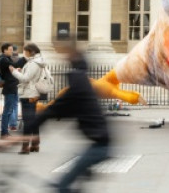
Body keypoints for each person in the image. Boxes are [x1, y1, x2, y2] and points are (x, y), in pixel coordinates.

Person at [28, 42, 109, 193]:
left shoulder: (78, 86)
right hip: (99, 144)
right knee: (68, 179)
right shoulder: (82, 81)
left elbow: (51, 111)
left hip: (101, 146)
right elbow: (55, 111)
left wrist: (18, 136)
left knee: (62, 187)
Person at [10, 42, 47, 154]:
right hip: (32, 93)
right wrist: (22, 71)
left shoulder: (33, 63)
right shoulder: (36, 62)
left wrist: (14, 72)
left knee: (27, 121)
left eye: (25, 51)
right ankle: (35, 144)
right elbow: (30, 76)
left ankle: (25, 147)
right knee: (32, 119)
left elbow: (25, 79)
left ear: (30, 52)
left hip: (28, 94)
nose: (24, 53)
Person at [0, 43, 21, 138]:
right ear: (4, 50)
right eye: (10, 50)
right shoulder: (3, 60)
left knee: (10, 110)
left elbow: (13, 67)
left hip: (13, 87)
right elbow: (14, 65)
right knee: (7, 111)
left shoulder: (7, 59)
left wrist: (15, 69)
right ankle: (4, 132)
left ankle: (6, 131)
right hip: (9, 88)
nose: (12, 51)